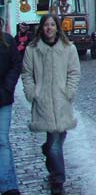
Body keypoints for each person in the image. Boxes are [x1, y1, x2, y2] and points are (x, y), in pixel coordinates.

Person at [21, 14, 80, 195]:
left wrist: (69, 92)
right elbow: (27, 73)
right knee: (55, 142)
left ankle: (48, 151)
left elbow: (74, 72)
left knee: (57, 139)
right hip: (44, 102)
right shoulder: (32, 50)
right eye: (46, 25)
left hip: (62, 102)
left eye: (52, 24)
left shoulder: (68, 48)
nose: (49, 28)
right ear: (41, 28)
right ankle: (58, 180)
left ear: (57, 27)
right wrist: (33, 93)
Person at [0, 20, 22, 195]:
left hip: (3, 99)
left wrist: (6, 88)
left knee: (2, 141)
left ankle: (8, 187)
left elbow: (16, 65)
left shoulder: (7, 41)